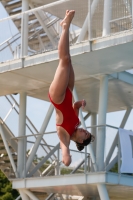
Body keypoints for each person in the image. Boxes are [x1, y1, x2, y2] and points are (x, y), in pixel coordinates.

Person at [49, 10, 95, 166]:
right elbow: (74, 107)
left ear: (81, 140)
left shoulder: (66, 137)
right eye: (86, 131)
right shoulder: (76, 124)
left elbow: (65, 154)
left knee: (65, 60)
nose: (84, 130)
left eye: (85, 133)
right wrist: (80, 103)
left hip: (58, 98)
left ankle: (65, 26)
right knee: (68, 61)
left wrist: (67, 157)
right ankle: (64, 27)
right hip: (68, 91)